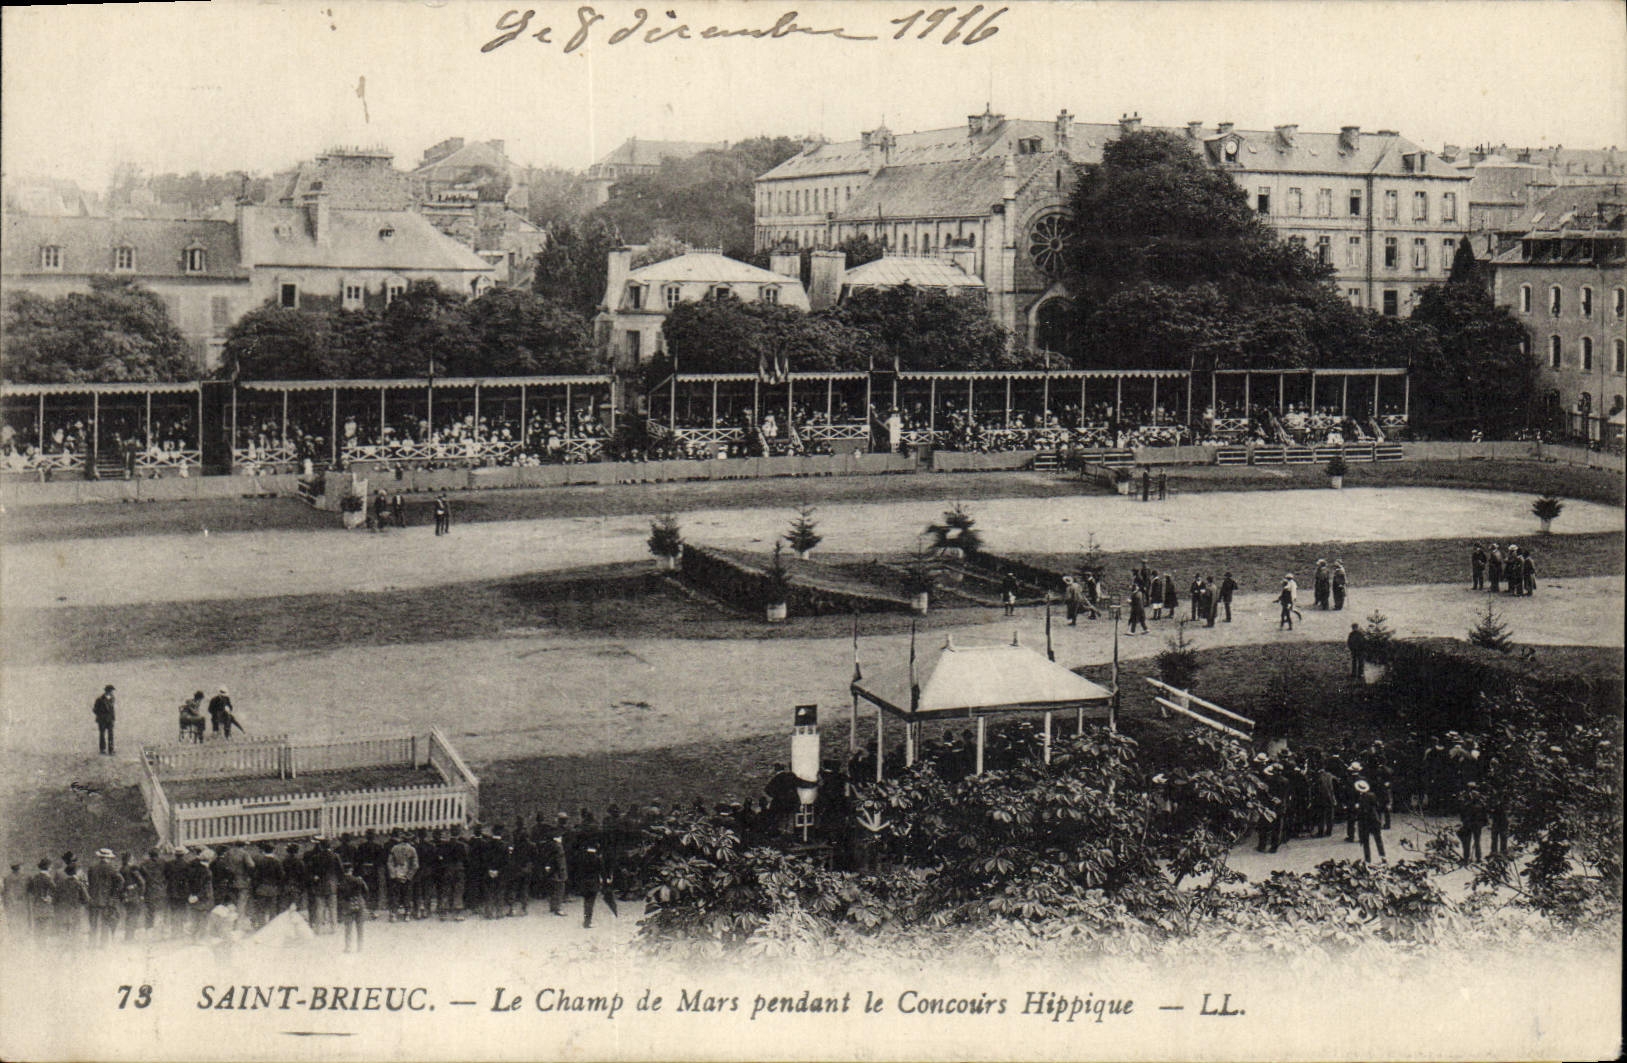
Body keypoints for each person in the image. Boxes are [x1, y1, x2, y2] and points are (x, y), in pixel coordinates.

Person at [85, 849, 123, 947]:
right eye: (110, 858)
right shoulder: (111, 869)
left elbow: (89, 882)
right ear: (107, 858)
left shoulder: (92, 868)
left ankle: (92, 943)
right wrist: (114, 893)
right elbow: (120, 881)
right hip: (106, 899)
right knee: (105, 922)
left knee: (93, 922)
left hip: (93, 898)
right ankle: (104, 944)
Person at [577, 842, 617, 929]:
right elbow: (602, 871)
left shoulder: (582, 858)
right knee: (591, 902)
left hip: (584, 883)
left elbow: (578, 871)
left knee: (586, 902)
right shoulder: (597, 858)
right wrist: (606, 880)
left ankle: (586, 921)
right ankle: (587, 922)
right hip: (593, 883)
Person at [1353, 778, 1386, 863]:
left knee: (1366, 842)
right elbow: (1377, 807)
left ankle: (1368, 859)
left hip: (1365, 822)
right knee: (1378, 839)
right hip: (1375, 820)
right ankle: (1383, 856)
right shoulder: (1372, 795)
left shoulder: (1361, 799)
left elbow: (1361, 812)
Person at [338, 862, 368, 952]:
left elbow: (340, 895)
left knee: (348, 927)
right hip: (359, 902)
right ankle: (360, 947)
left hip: (347, 905)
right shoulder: (359, 880)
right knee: (360, 927)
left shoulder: (341, 882)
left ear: (344, 871)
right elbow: (366, 891)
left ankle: (348, 947)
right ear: (352, 870)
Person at [1457, 782, 1489, 864]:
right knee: (1473, 841)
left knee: (1471, 842)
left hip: (1472, 823)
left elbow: (1484, 810)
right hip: (1472, 823)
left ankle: (1471, 858)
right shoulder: (1476, 798)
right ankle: (1471, 858)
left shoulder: (1476, 799)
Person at [93, 684, 116, 756]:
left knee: (111, 735)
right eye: (110, 691)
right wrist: (100, 715)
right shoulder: (99, 699)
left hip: (110, 719)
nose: (111, 692)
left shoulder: (112, 698)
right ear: (107, 691)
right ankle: (102, 749)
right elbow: (95, 709)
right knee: (102, 734)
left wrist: (113, 718)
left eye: (111, 691)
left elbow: (112, 710)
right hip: (102, 720)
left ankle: (111, 750)